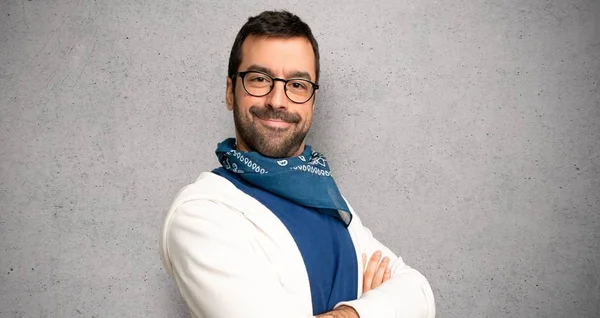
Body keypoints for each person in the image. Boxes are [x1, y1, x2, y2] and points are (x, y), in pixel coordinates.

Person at [160, 10, 435, 318]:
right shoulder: (201, 214)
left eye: (298, 84)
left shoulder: (325, 196)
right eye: (260, 79)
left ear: (312, 102)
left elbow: (418, 292)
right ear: (229, 91)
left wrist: (350, 314)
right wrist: (372, 307)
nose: (278, 100)